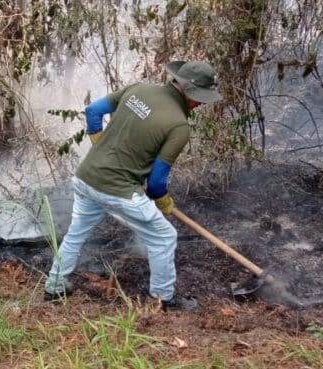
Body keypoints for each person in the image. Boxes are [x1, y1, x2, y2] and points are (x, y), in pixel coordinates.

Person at [44, 61, 222, 311]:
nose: (201, 104)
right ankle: (163, 300)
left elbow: (93, 111)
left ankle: (54, 286)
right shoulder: (178, 125)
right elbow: (157, 183)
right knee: (164, 236)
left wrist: (97, 140)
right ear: (190, 92)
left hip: (86, 178)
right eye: (201, 99)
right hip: (117, 189)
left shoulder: (138, 89)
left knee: (76, 233)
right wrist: (163, 201)